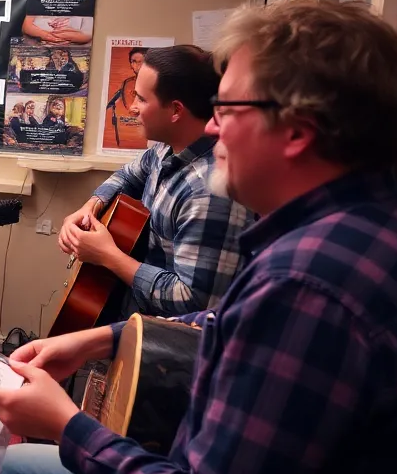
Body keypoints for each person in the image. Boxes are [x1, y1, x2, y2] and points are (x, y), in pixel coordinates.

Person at [0, 0, 397, 474]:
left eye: (229, 109)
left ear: (298, 130)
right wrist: (104, 337)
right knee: (13, 468)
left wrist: (69, 426)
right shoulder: (360, 228)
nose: (213, 130)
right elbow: (222, 321)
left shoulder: (306, 286)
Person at [58, 45, 253, 317]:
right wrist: (91, 205)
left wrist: (108, 256)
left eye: (141, 99)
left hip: (165, 336)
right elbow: (127, 175)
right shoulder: (165, 148)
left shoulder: (209, 192)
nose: (132, 107)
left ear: (175, 110)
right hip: (133, 313)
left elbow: (193, 301)